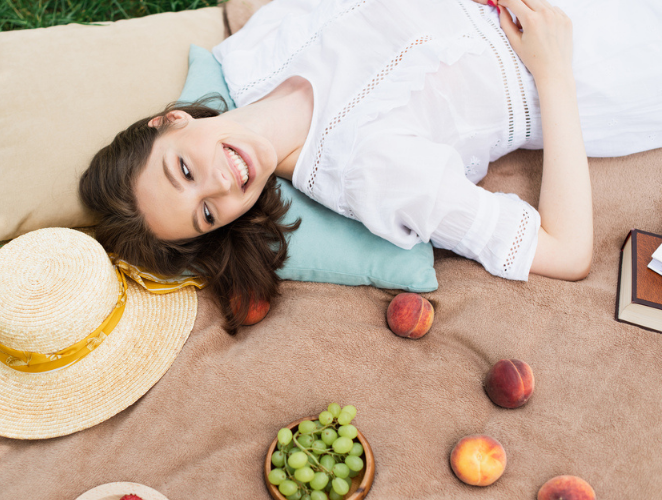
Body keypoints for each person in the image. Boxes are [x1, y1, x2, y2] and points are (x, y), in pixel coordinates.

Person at [79, 0, 662, 332]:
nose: (221, 184)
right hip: (587, 50)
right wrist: (553, 69)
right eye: (207, 213)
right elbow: (567, 250)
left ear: (171, 119)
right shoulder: (368, 174)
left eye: (183, 170)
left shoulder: (246, 54)